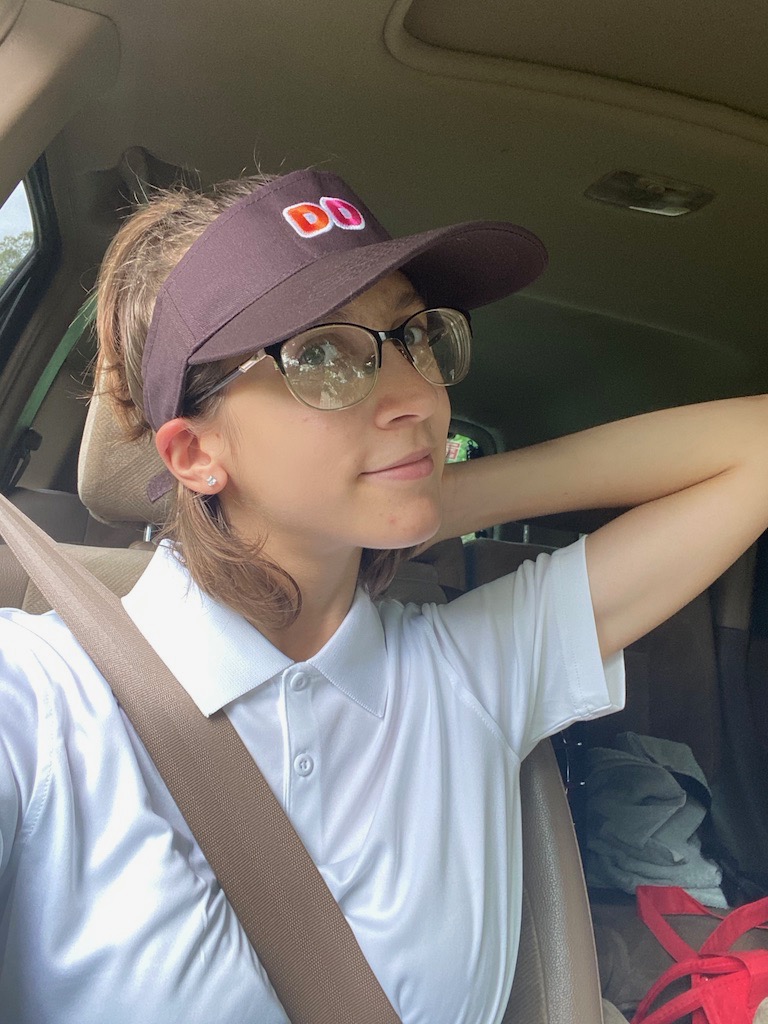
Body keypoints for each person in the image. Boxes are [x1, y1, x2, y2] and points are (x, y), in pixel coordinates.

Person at [1, 167, 767, 1024]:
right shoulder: (39, 703)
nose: (419, 398)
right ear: (193, 454)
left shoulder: (479, 670)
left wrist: (436, 499)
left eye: (414, 336)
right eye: (320, 356)